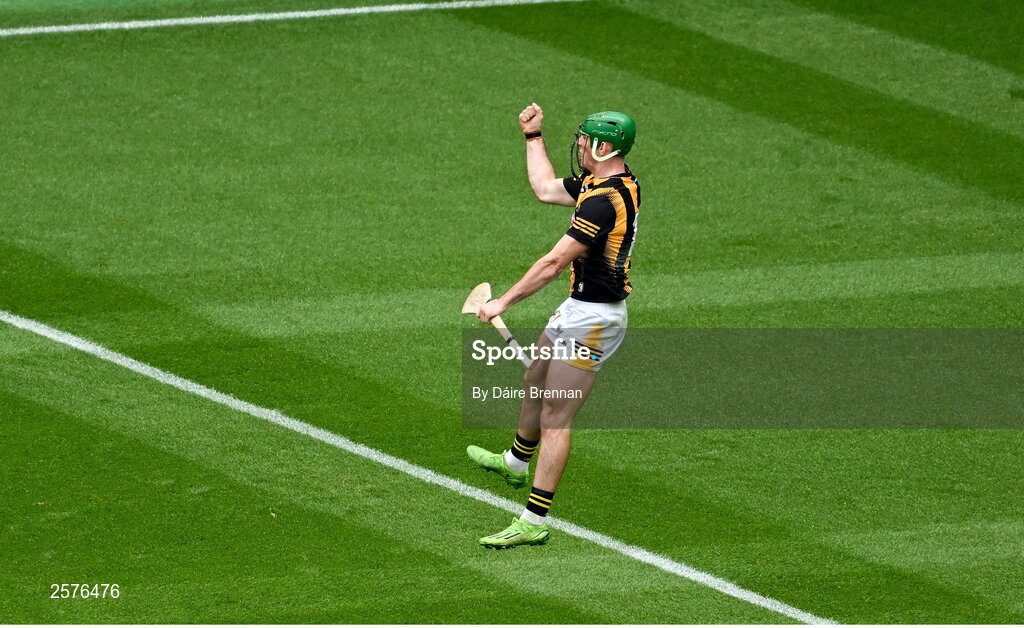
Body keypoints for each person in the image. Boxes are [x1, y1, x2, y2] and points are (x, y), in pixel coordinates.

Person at [467, 103, 641, 549]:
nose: (579, 147)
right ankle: (515, 463)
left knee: (556, 415)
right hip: (577, 308)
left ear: (603, 146)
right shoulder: (605, 181)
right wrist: (533, 136)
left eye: (584, 142)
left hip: (595, 320)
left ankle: (533, 519)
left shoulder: (603, 201)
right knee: (534, 378)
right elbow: (545, 188)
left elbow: (552, 263)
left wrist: (501, 301)